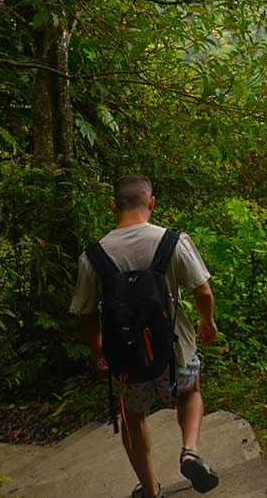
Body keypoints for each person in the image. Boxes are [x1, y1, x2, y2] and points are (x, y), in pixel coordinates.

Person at [70, 174, 221, 498]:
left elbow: (85, 313)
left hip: (126, 358)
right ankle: (190, 449)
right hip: (174, 351)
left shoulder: (94, 256)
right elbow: (203, 291)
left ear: (113, 206)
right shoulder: (173, 241)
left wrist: (97, 349)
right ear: (151, 202)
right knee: (190, 392)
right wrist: (207, 322)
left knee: (134, 416)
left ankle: (151, 491)